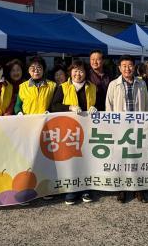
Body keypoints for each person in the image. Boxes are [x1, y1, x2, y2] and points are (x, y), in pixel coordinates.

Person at [51, 59, 97, 205]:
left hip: (87, 129)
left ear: (86, 73)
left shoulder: (92, 87)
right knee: (70, 160)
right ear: (70, 72)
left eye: (81, 71)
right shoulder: (63, 87)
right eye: (75, 70)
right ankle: (71, 190)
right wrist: (69, 107)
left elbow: (100, 103)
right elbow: (54, 106)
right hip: (68, 131)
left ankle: (86, 188)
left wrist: (95, 107)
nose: (78, 74)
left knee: (86, 160)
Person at [105, 55, 148, 203]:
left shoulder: (141, 83)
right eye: (124, 66)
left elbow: (147, 105)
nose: (127, 68)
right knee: (122, 159)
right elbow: (109, 106)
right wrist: (112, 126)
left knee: (137, 158)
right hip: (121, 128)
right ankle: (122, 189)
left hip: (138, 127)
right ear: (119, 68)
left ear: (134, 67)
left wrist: (147, 124)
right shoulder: (113, 84)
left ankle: (138, 189)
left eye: (130, 65)